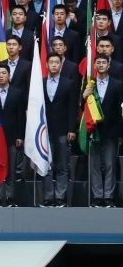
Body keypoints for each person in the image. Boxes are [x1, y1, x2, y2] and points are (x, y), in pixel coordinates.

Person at [83, 54, 123, 207]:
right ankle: (97, 196)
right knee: (95, 165)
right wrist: (84, 96)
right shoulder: (89, 84)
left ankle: (109, 197)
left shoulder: (118, 84)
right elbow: (83, 108)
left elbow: (121, 109)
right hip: (94, 130)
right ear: (94, 66)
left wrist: (120, 133)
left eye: (103, 63)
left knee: (110, 164)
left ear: (109, 65)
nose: (100, 65)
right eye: (98, 62)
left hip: (111, 130)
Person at [43, 53, 77, 207]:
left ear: (61, 66)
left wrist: (72, 129)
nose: (54, 65)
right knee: (47, 165)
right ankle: (49, 197)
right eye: (51, 62)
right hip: (45, 130)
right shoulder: (40, 83)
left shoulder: (68, 83)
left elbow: (72, 108)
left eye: (57, 62)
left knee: (62, 166)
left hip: (63, 129)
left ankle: (60, 197)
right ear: (46, 65)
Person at [0, 63, 26, 207]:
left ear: (9, 75)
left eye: (4, 73)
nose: (1, 76)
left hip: (12, 137)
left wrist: (20, 136)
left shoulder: (17, 93)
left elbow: (21, 117)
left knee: (11, 169)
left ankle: (11, 198)